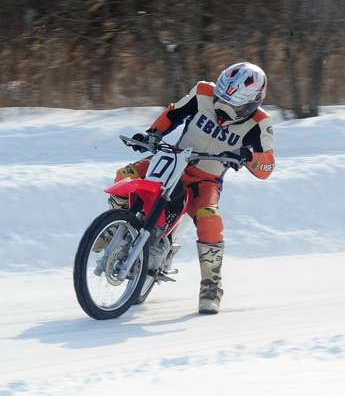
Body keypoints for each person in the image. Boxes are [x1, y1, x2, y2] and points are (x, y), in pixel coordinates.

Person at [110, 62, 275, 314]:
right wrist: (152, 134)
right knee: (125, 175)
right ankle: (113, 232)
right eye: (221, 96)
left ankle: (211, 286)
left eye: (234, 102)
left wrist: (247, 156)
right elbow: (173, 114)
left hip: (206, 178)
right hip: (172, 159)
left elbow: (268, 165)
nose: (223, 104)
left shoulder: (261, 123)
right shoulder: (203, 92)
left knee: (210, 219)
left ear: (254, 101)